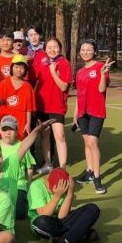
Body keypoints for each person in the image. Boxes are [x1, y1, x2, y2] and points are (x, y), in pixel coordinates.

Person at [74, 39, 113, 194]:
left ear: (95, 51)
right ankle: (89, 171)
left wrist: (102, 74)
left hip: (96, 111)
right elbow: (79, 95)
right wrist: (76, 114)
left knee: (92, 142)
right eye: (83, 50)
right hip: (82, 112)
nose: (85, 52)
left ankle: (97, 177)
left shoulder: (100, 67)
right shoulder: (79, 72)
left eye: (89, 50)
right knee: (87, 143)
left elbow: (102, 89)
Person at [28, 168, 100, 243]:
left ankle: (65, 241)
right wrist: (57, 196)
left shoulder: (65, 187)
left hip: (62, 223)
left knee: (93, 209)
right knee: (41, 222)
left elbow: (62, 217)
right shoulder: (36, 186)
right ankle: (79, 234)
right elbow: (43, 214)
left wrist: (69, 194)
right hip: (45, 224)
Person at [34, 37, 72, 172]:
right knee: (44, 136)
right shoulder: (41, 62)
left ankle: (62, 168)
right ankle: (48, 164)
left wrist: (53, 72)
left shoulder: (64, 64)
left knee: (60, 136)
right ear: (45, 49)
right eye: (49, 47)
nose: (52, 50)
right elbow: (37, 81)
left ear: (60, 49)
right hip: (41, 105)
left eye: (55, 47)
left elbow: (63, 87)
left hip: (56, 106)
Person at [0, 116, 36, 219]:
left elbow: (30, 168)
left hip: (19, 185)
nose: (8, 133)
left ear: (17, 130)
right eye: (5, 129)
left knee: (19, 213)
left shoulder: (22, 146)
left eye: (11, 129)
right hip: (0, 185)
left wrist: (28, 188)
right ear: (0, 131)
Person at [0, 54, 35, 139]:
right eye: (16, 67)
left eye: (22, 67)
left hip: (21, 119)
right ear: (11, 68)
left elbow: (29, 108)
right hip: (5, 117)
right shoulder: (3, 84)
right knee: (3, 142)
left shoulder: (27, 86)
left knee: (19, 143)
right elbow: (1, 102)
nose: (19, 70)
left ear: (25, 70)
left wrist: (28, 124)